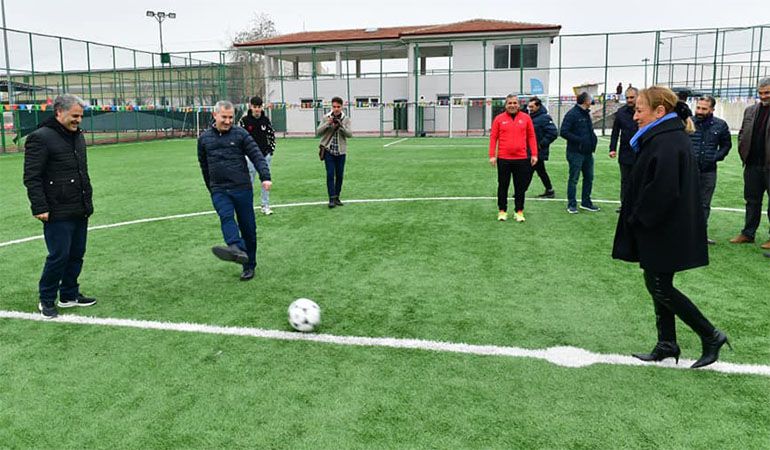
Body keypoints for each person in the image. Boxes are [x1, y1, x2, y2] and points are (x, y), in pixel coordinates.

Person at [613, 86, 730, 369]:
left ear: (659, 111)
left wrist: (638, 218)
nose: (635, 116)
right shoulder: (664, 137)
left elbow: (662, 191)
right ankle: (667, 343)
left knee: (659, 285)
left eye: (640, 110)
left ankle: (711, 335)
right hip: (664, 227)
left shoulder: (666, 141)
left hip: (664, 228)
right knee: (657, 284)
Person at [23, 94, 97, 319]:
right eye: (75, 116)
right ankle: (46, 299)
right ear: (59, 112)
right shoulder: (40, 138)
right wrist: (39, 207)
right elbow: (32, 177)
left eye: (81, 116)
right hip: (56, 210)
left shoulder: (77, 136)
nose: (78, 120)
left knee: (77, 254)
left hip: (79, 206)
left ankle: (68, 294)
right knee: (59, 255)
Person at [198, 100, 272, 281]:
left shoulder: (241, 134)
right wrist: (212, 188)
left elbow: (256, 154)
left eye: (231, 117)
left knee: (249, 230)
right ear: (215, 115)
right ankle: (234, 246)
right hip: (219, 189)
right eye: (224, 117)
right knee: (226, 215)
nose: (228, 121)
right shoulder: (204, 139)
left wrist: (265, 176)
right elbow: (204, 166)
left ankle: (249, 265)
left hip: (242, 188)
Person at [730, 78, 770, 250]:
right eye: (760, 93)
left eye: (767, 92)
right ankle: (748, 234)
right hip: (752, 165)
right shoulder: (750, 110)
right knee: (752, 201)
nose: (763, 96)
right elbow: (742, 134)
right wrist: (742, 151)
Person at [488, 94, 538, 222]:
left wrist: (534, 154)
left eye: (514, 103)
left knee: (520, 187)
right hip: (504, 158)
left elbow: (531, 137)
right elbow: (493, 138)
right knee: (503, 185)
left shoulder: (526, 118)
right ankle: (502, 211)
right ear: (506, 105)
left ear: (519, 104)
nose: (512, 105)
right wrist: (492, 155)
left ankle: (519, 211)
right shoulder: (499, 119)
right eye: (509, 103)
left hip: (521, 158)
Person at [691, 96, 732, 245]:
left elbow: (726, 145)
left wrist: (715, 157)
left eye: (704, 108)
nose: (699, 111)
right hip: (689, 171)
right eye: (698, 107)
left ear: (712, 109)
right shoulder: (688, 122)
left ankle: (700, 235)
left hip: (709, 172)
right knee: (684, 202)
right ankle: (682, 233)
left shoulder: (720, 125)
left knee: (704, 204)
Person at [560, 92, 600, 213]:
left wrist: (592, 141)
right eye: (590, 98)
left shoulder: (586, 114)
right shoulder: (572, 114)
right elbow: (564, 132)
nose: (592, 100)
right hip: (575, 152)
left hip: (587, 152)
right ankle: (571, 204)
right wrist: (580, 141)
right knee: (574, 179)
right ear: (585, 100)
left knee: (589, 177)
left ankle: (586, 202)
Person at [240, 96, 276, 215]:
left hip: (264, 156)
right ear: (251, 107)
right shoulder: (244, 121)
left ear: (262, 107)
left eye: (259, 107)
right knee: (248, 182)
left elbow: (271, 135)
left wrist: (271, 150)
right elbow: (239, 138)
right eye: (254, 107)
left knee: (265, 180)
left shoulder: (266, 120)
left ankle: (265, 205)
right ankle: (246, 207)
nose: (257, 109)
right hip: (249, 157)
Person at [317, 96, 352, 208]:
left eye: (338, 106)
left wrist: (341, 126)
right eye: (334, 106)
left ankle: (337, 197)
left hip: (341, 152)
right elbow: (318, 132)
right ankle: (331, 198)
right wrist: (328, 123)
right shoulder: (326, 117)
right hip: (329, 151)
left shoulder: (346, 119)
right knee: (330, 174)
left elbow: (350, 134)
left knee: (340, 175)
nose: (336, 109)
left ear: (342, 107)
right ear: (331, 107)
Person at [609, 87, 639, 211]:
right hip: (625, 152)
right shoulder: (621, 112)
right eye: (627, 97)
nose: (629, 100)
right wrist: (612, 148)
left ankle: (639, 205)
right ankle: (625, 205)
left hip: (641, 152)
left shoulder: (644, 111)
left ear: (638, 97)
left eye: (632, 97)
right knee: (625, 180)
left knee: (640, 180)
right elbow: (615, 132)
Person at [527, 97, 558, 199]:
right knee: (540, 171)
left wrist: (541, 144)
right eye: (529, 106)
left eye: (532, 106)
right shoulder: (531, 116)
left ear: (538, 106)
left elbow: (553, 133)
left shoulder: (544, 117)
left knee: (529, 170)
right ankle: (549, 190)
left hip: (538, 151)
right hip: (532, 150)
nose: (530, 108)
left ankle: (521, 191)